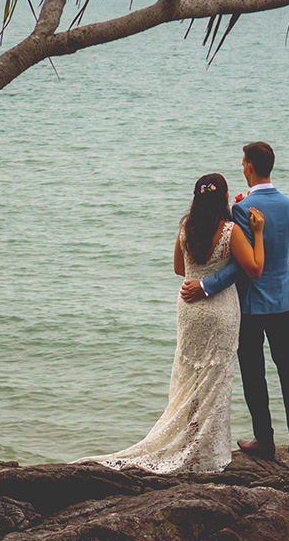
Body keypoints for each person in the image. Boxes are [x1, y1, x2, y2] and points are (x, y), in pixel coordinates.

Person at [83, 172, 265, 473]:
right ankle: (205, 451)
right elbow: (254, 269)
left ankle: (187, 442)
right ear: (223, 198)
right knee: (215, 380)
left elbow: (180, 268)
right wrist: (257, 233)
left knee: (189, 377)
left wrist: (200, 273)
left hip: (190, 309)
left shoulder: (186, 227)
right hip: (220, 311)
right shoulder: (231, 231)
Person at [180, 141, 289, 460]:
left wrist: (206, 286)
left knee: (254, 371)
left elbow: (240, 267)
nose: (241, 167)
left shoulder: (241, 209)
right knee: (288, 365)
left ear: (250, 166)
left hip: (250, 305)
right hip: (283, 299)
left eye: (242, 163)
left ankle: (264, 440)